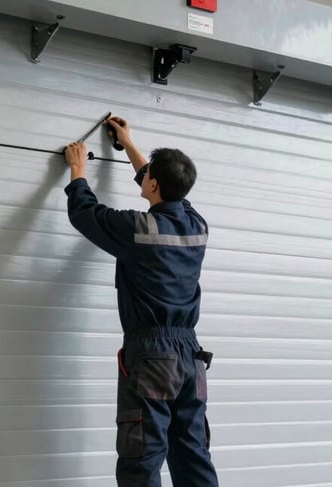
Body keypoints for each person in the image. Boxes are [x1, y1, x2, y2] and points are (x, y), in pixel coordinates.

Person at [63, 116, 219, 487]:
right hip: (189, 358)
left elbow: (85, 214)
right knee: (193, 454)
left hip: (151, 358)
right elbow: (165, 187)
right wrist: (128, 144)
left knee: (141, 460)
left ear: (153, 184)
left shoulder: (138, 230)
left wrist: (77, 168)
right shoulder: (197, 226)